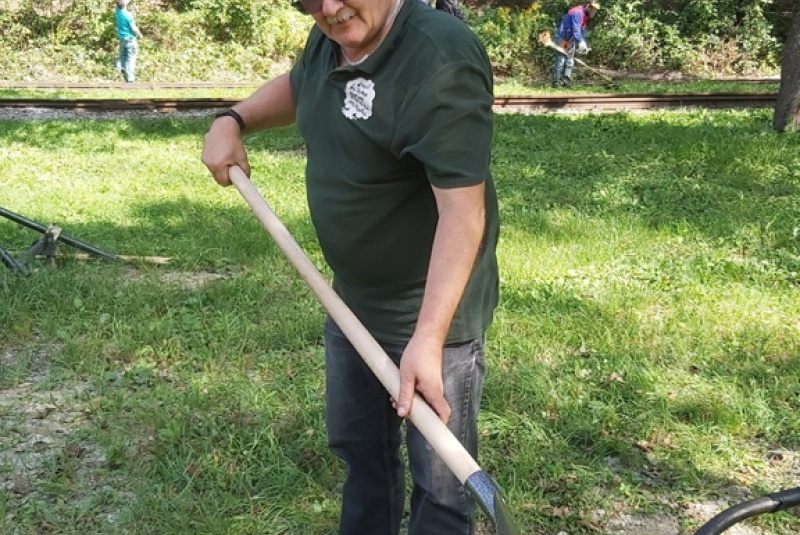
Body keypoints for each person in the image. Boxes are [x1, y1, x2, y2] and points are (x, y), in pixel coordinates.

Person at [202, 1, 499, 534]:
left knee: (442, 485)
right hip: (351, 305)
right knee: (360, 456)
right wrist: (235, 118)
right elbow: (302, 85)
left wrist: (428, 340)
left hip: (431, 316)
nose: (330, 8)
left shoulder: (439, 57)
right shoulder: (333, 36)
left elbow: (463, 211)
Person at [552, 1, 600, 87]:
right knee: (561, 61)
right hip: (562, 38)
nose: (594, 13)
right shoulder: (577, 12)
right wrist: (580, 41)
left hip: (570, 40)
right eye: (593, 10)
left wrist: (583, 43)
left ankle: (566, 83)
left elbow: (581, 30)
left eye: (595, 11)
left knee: (570, 61)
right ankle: (555, 82)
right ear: (588, 7)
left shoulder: (585, 15)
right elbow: (576, 29)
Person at [114, 0, 143, 83]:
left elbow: (119, 3)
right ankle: (130, 78)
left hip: (122, 39)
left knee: (122, 56)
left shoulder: (117, 12)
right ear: (125, 4)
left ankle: (117, 74)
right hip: (130, 40)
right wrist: (140, 35)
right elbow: (134, 28)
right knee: (131, 58)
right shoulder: (128, 15)